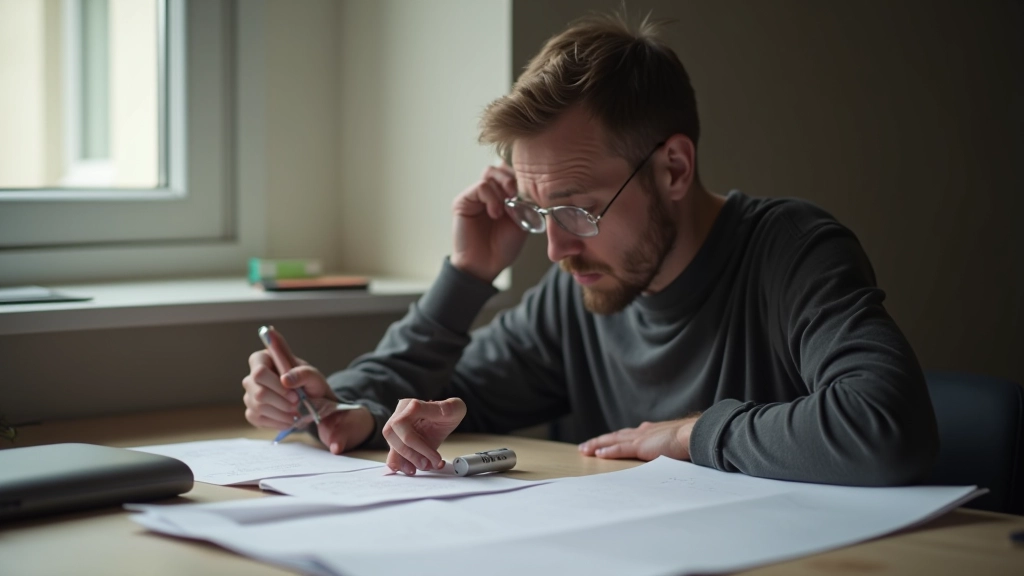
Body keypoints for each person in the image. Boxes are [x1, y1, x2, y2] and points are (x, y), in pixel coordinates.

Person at [242, 13, 938, 486]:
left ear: (673, 168)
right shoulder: (581, 293)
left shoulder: (791, 252)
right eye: (536, 210)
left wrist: (688, 437)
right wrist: (466, 277)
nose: (556, 246)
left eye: (577, 207)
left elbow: (884, 425)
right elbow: (434, 398)